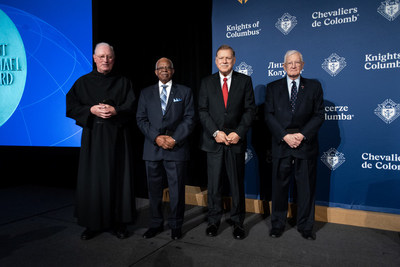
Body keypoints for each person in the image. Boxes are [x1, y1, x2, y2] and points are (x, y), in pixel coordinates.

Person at [66, 42, 136, 240]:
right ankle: (92, 224)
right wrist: (90, 110)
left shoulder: (123, 82)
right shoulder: (83, 82)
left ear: (114, 59)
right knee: (93, 181)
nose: (106, 60)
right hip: (94, 139)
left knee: (118, 179)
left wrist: (116, 110)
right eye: (102, 56)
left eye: (109, 57)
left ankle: (118, 223)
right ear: (94, 58)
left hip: (118, 139)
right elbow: (70, 105)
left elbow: (132, 105)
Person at [264, 50, 324, 240]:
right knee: (279, 188)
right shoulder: (273, 87)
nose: (293, 65)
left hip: (305, 145)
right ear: (283, 66)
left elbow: (319, 114)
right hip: (281, 145)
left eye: (297, 62)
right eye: (289, 63)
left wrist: (302, 135)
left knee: (306, 189)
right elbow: (269, 115)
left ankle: (306, 226)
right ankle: (277, 224)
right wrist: (284, 136)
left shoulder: (314, 86)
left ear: (303, 65)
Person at [198, 45, 256, 240]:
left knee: (236, 184)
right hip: (214, 141)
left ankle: (238, 222)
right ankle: (213, 221)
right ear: (216, 60)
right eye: (221, 58)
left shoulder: (245, 81)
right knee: (214, 185)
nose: (224, 61)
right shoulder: (206, 82)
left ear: (234, 60)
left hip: (235, 141)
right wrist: (215, 132)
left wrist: (239, 133)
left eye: (228, 58)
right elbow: (203, 111)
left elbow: (250, 110)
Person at [136, 57, 195, 240]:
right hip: (153, 147)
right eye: (160, 68)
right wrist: (156, 137)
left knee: (177, 190)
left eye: (167, 67)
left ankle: (176, 225)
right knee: (154, 190)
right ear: (155, 72)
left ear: (173, 70)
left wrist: (174, 138)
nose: (164, 70)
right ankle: (155, 224)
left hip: (176, 148)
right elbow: (141, 119)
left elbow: (190, 118)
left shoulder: (185, 92)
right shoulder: (145, 93)